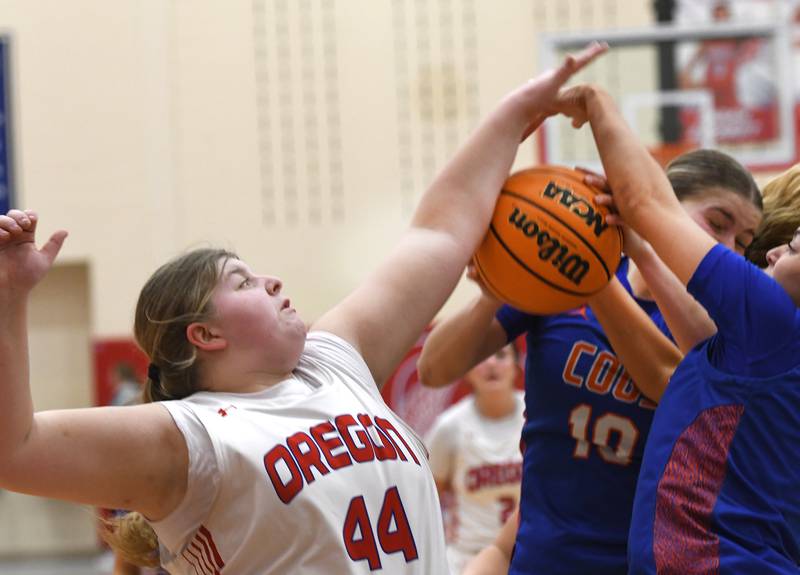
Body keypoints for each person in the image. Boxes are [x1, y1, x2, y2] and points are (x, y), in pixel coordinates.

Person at [0, 43, 608, 574]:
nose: (271, 281)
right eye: (242, 281)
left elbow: (438, 234)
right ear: (205, 334)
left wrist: (516, 112)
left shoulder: (332, 364)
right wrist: (9, 297)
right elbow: (16, 449)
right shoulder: (194, 436)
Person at [417, 150, 762, 574]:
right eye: (718, 223)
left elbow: (671, 382)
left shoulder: (721, 333)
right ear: (660, 207)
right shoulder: (562, 279)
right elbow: (434, 368)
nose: (727, 248)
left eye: (743, 243)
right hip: (540, 558)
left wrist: (589, 265)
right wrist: (497, 282)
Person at [552, 81, 800, 573]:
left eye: (793, 246)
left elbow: (648, 201)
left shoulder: (771, 318)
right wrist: (640, 249)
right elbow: (702, 337)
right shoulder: (761, 346)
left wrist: (598, 103)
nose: (771, 251)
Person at [425, 343, 524, 574]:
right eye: (482, 357)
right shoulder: (449, 427)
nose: (491, 364)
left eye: (501, 355)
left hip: (525, 553)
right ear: (467, 371)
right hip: (467, 558)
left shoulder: (536, 415)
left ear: (516, 366)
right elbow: (426, 494)